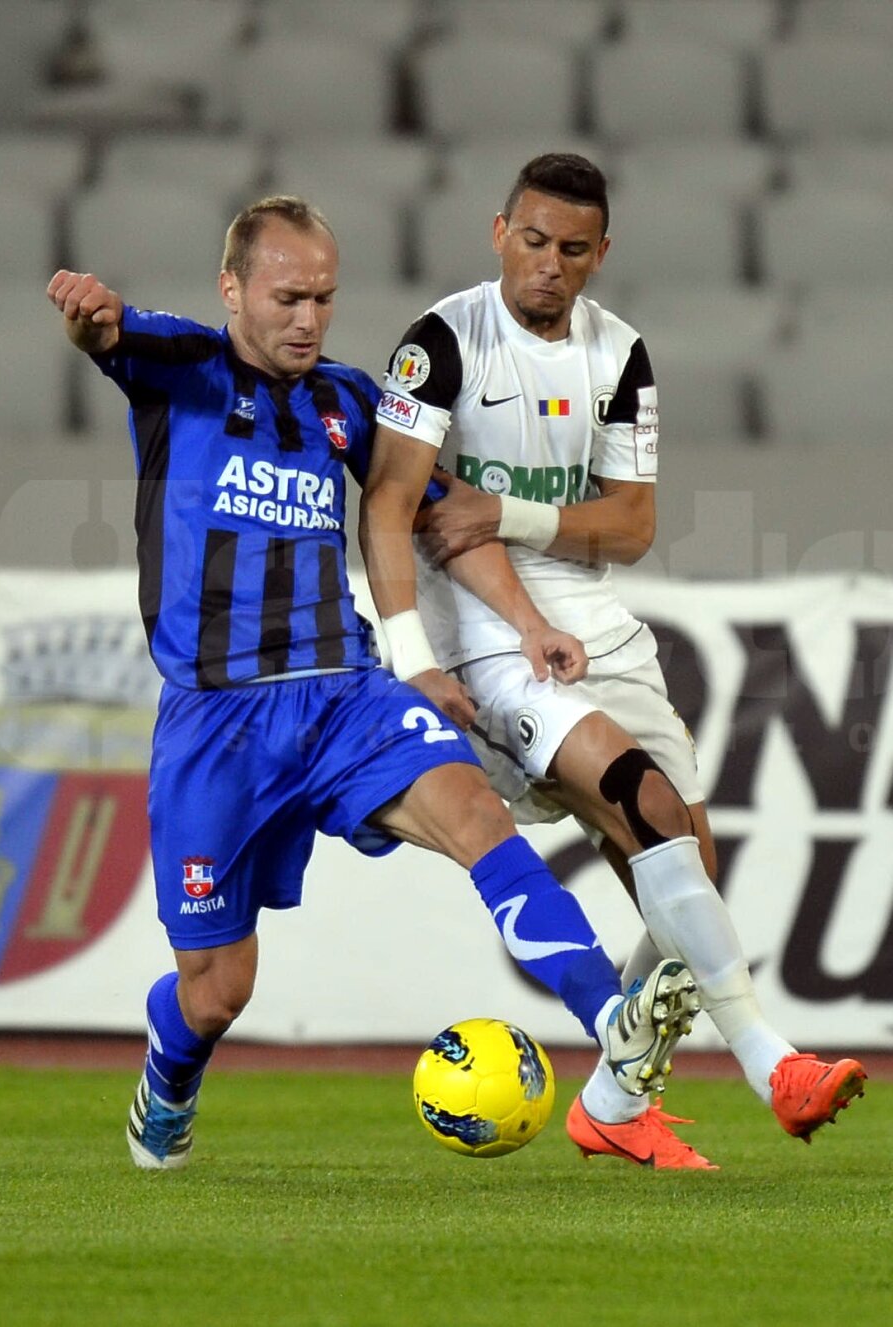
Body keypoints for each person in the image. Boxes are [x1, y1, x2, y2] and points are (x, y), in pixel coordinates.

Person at [45, 194, 700, 1171]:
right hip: (216, 726)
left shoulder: (346, 402)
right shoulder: (178, 368)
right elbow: (107, 332)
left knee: (480, 817)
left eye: (324, 298)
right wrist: (90, 314)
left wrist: (530, 624)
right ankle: (170, 1073)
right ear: (234, 289)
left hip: (345, 695)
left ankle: (613, 1020)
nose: (308, 319)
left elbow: (441, 519)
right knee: (218, 991)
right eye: (288, 297)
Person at [360, 155, 867, 1171]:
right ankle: (774, 1064)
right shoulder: (442, 343)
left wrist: (505, 508)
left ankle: (614, 1095)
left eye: (572, 249)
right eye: (533, 241)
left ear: (602, 253)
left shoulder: (619, 354)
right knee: (638, 796)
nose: (548, 266)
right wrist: (412, 655)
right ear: (499, 230)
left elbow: (630, 525)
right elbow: (387, 502)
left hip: (595, 619)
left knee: (684, 859)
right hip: (487, 632)